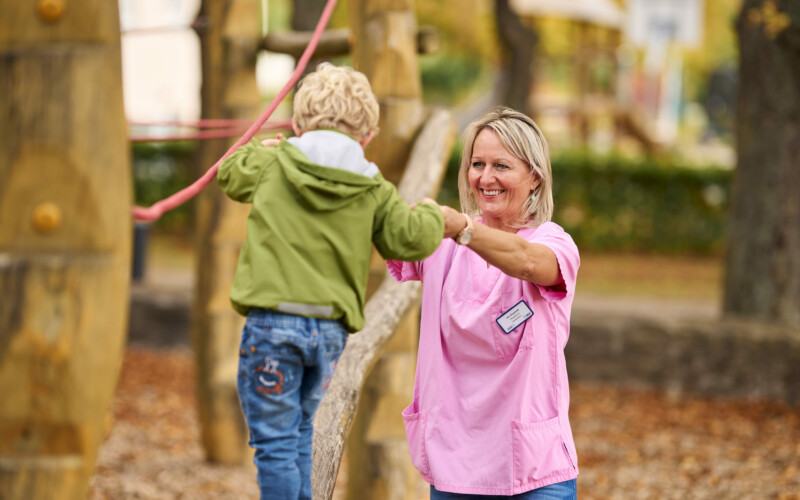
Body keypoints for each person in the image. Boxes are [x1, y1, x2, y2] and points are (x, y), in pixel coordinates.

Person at [218, 62, 445, 500]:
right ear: (367, 136)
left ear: (299, 124)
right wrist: (433, 212)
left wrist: (260, 147)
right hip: (328, 333)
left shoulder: (275, 160)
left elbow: (230, 174)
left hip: (273, 325)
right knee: (301, 429)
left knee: (275, 441)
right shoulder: (373, 186)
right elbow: (409, 239)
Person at [388, 107, 580, 499]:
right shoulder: (441, 244)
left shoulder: (553, 243)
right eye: (477, 164)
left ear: (535, 178)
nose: (485, 177)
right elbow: (376, 229)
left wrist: (463, 228)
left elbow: (528, 262)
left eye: (501, 166)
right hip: (454, 463)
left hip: (533, 469)